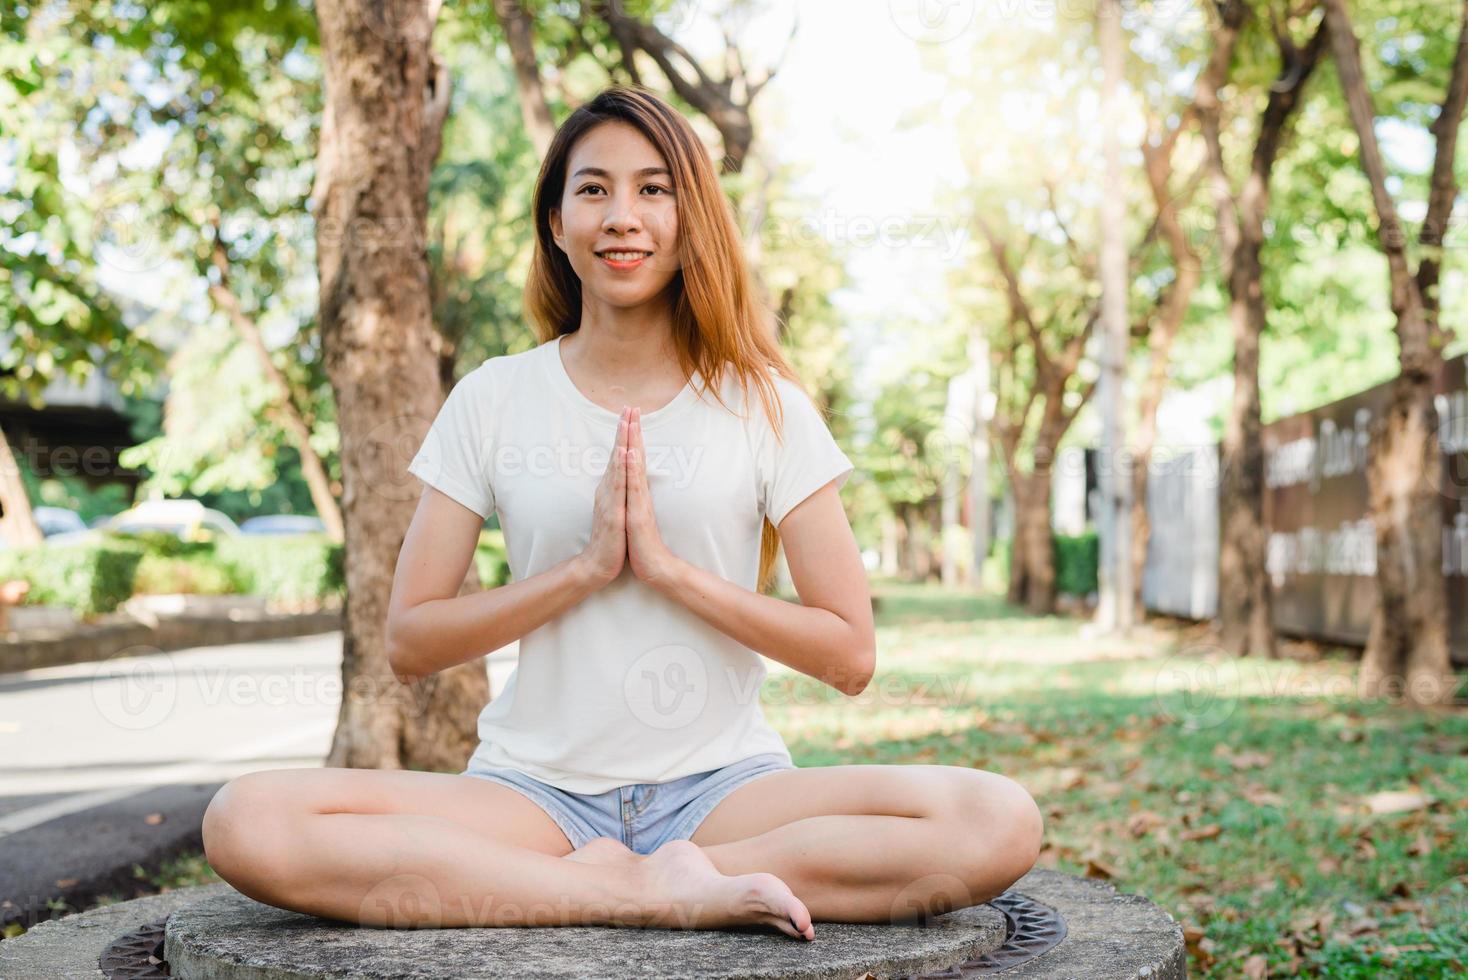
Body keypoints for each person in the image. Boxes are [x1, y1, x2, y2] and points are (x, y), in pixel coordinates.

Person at [201, 84, 1042, 942]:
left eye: (653, 188)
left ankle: (656, 871)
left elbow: (850, 654)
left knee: (995, 818)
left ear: (691, 218)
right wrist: (584, 570)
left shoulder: (767, 405)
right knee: (248, 820)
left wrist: (672, 574)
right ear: (556, 224)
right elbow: (411, 641)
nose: (622, 216)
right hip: (530, 793)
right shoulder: (495, 398)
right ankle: (638, 892)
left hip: (724, 788)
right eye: (593, 189)